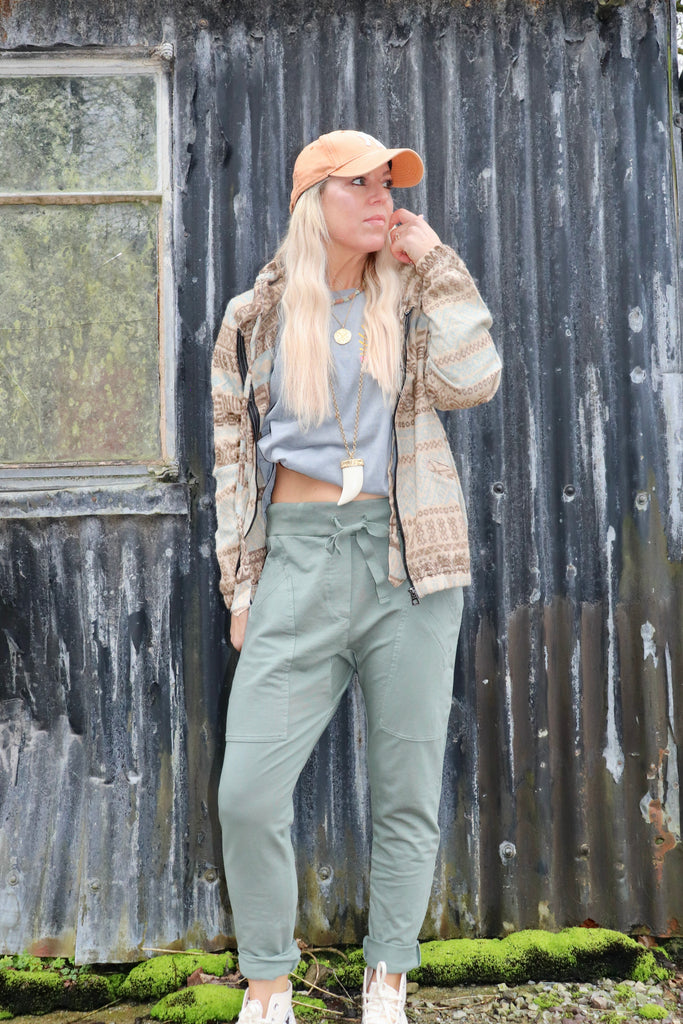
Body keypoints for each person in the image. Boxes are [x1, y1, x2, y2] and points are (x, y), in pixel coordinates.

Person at [212, 129, 501, 1024]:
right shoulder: (253, 316)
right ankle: (269, 985)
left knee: (406, 788)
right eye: (363, 186)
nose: (384, 200)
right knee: (247, 794)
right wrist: (241, 585)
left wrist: (438, 262)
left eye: (389, 185)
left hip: (407, 562)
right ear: (315, 201)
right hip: (297, 562)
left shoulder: (412, 293)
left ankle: (388, 980)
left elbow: (473, 381)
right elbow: (231, 458)